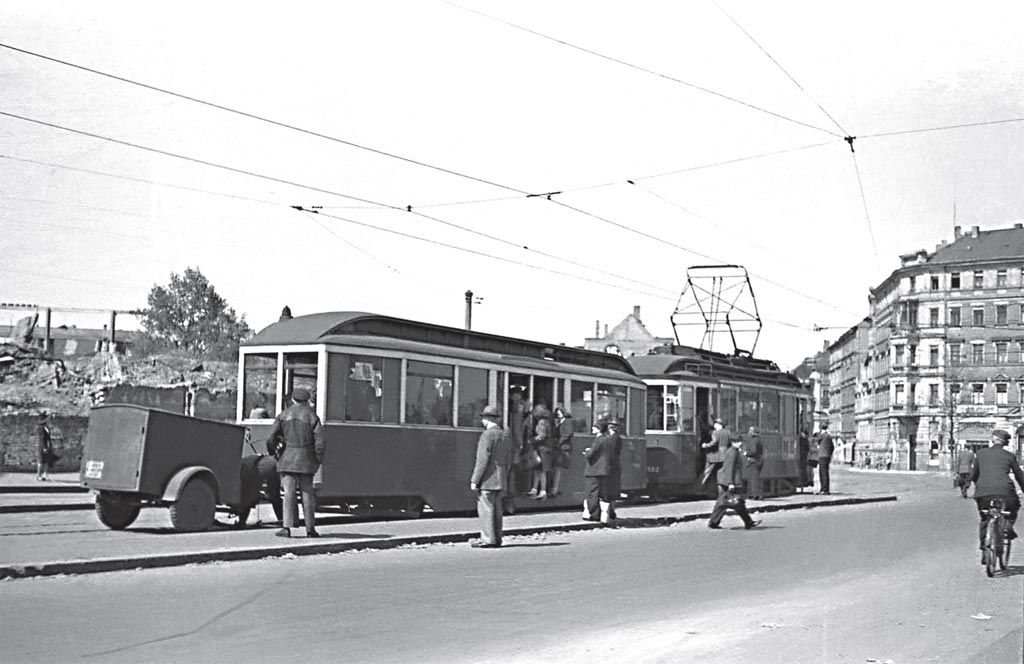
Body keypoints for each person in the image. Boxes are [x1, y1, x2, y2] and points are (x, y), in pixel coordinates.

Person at [265, 387, 324, 538]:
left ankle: (287, 527)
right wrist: (318, 459)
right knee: (307, 494)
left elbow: (271, 438)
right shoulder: (312, 416)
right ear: (307, 400)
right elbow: (320, 442)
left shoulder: (284, 415)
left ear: (293, 399)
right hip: (306, 459)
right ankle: (310, 529)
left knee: (288, 493)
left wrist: (273, 452)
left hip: (287, 458)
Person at [969, 429, 1024, 562]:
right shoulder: (1009, 456)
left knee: (985, 517)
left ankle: (984, 549)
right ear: (1005, 442)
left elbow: (974, 474)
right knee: (1014, 506)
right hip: (1005, 491)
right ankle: (1007, 525)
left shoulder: (980, 453)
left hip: (983, 492)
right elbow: (1019, 475)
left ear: (993, 440)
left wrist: (978, 486)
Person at [469, 405, 514, 548]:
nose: (482, 421)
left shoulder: (486, 435)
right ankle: (497, 538)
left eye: (483, 418)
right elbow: (509, 457)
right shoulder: (505, 434)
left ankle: (488, 538)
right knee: (497, 510)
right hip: (501, 477)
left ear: (487, 419)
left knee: (485, 508)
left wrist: (475, 480)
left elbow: (483, 459)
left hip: (488, 478)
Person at [708, 436, 761, 530]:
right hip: (729, 481)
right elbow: (729, 468)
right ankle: (748, 522)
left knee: (726, 502)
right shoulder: (732, 452)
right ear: (734, 442)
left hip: (729, 481)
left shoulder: (734, 451)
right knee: (731, 502)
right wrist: (730, 483)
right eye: (739, 441)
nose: (741, 443)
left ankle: (714, 522)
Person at [582, 417, 613, 523]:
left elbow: (591, 454)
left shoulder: (598, 440)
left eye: (594, 427)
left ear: (599, 429)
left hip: (594, 470)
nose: (592, 428)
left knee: (592, 493)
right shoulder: (608, 440)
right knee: (602, 493)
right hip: (604, 470)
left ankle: (594, 514)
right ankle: (605, 515)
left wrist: (586, 452)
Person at [529, 403, 553, 499]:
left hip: (543, 448)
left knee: (540, 470)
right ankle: (536, 489)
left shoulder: (542, 422)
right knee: (540, 470)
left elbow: (541, 436)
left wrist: (531, 440)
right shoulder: (548, 421)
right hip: (546, 448)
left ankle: (541, 490)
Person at [700, 417, 731, 489]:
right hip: (726, 453)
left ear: (717, 424)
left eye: (715, 424)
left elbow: (714, 442)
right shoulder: (728, 432)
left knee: (707, 471)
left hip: (717, 454)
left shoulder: (715, 432)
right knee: (722, 472)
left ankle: (701, 486)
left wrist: (706, 445)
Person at [550, 407, 574, 497]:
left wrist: (559, 442)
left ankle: (555, 489)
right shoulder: (560, 422)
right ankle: (555, 488)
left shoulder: (567, 422)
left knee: (558, 467)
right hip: (560, 447)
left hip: (563, 448)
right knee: (557, 468)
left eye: (560, 413)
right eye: (557, 414)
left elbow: (568, 433)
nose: (558, 415)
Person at [605, 418, 624, 520]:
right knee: (612, 489)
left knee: (611, 488)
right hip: (614, 465)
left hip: (612, 466)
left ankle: (610, 511)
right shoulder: (615, 437)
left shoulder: (614, 438)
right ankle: (611, 510)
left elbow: (611, 452)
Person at [743, 426, 764, 500]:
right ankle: (755, 494)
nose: (749, 432)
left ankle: (755, 495)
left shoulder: (753, 440)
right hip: (759, 461)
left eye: (750, 431)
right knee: (755, 478)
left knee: (753, 479)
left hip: (753, 461)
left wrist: (746, 453)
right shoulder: (759, 440)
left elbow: (754, 451)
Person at [816, 423, 834, 494]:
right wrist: (829, 454)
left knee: (822, 473)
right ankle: (825, 489)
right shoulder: (829, 436)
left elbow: (816, 439)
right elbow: (832, 447)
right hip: (827, 456)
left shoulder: (822, 436)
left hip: (822, 456)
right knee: (826, 472)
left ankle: (824, 489)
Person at [36, 412, 54, 481]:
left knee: (46, 461)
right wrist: (44, 447)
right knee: (41, 461)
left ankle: (45, 474)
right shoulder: (40, 428)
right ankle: (39, 475)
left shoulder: (46, 428)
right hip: (42, 446)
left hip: (47, 445)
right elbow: (42, 438)